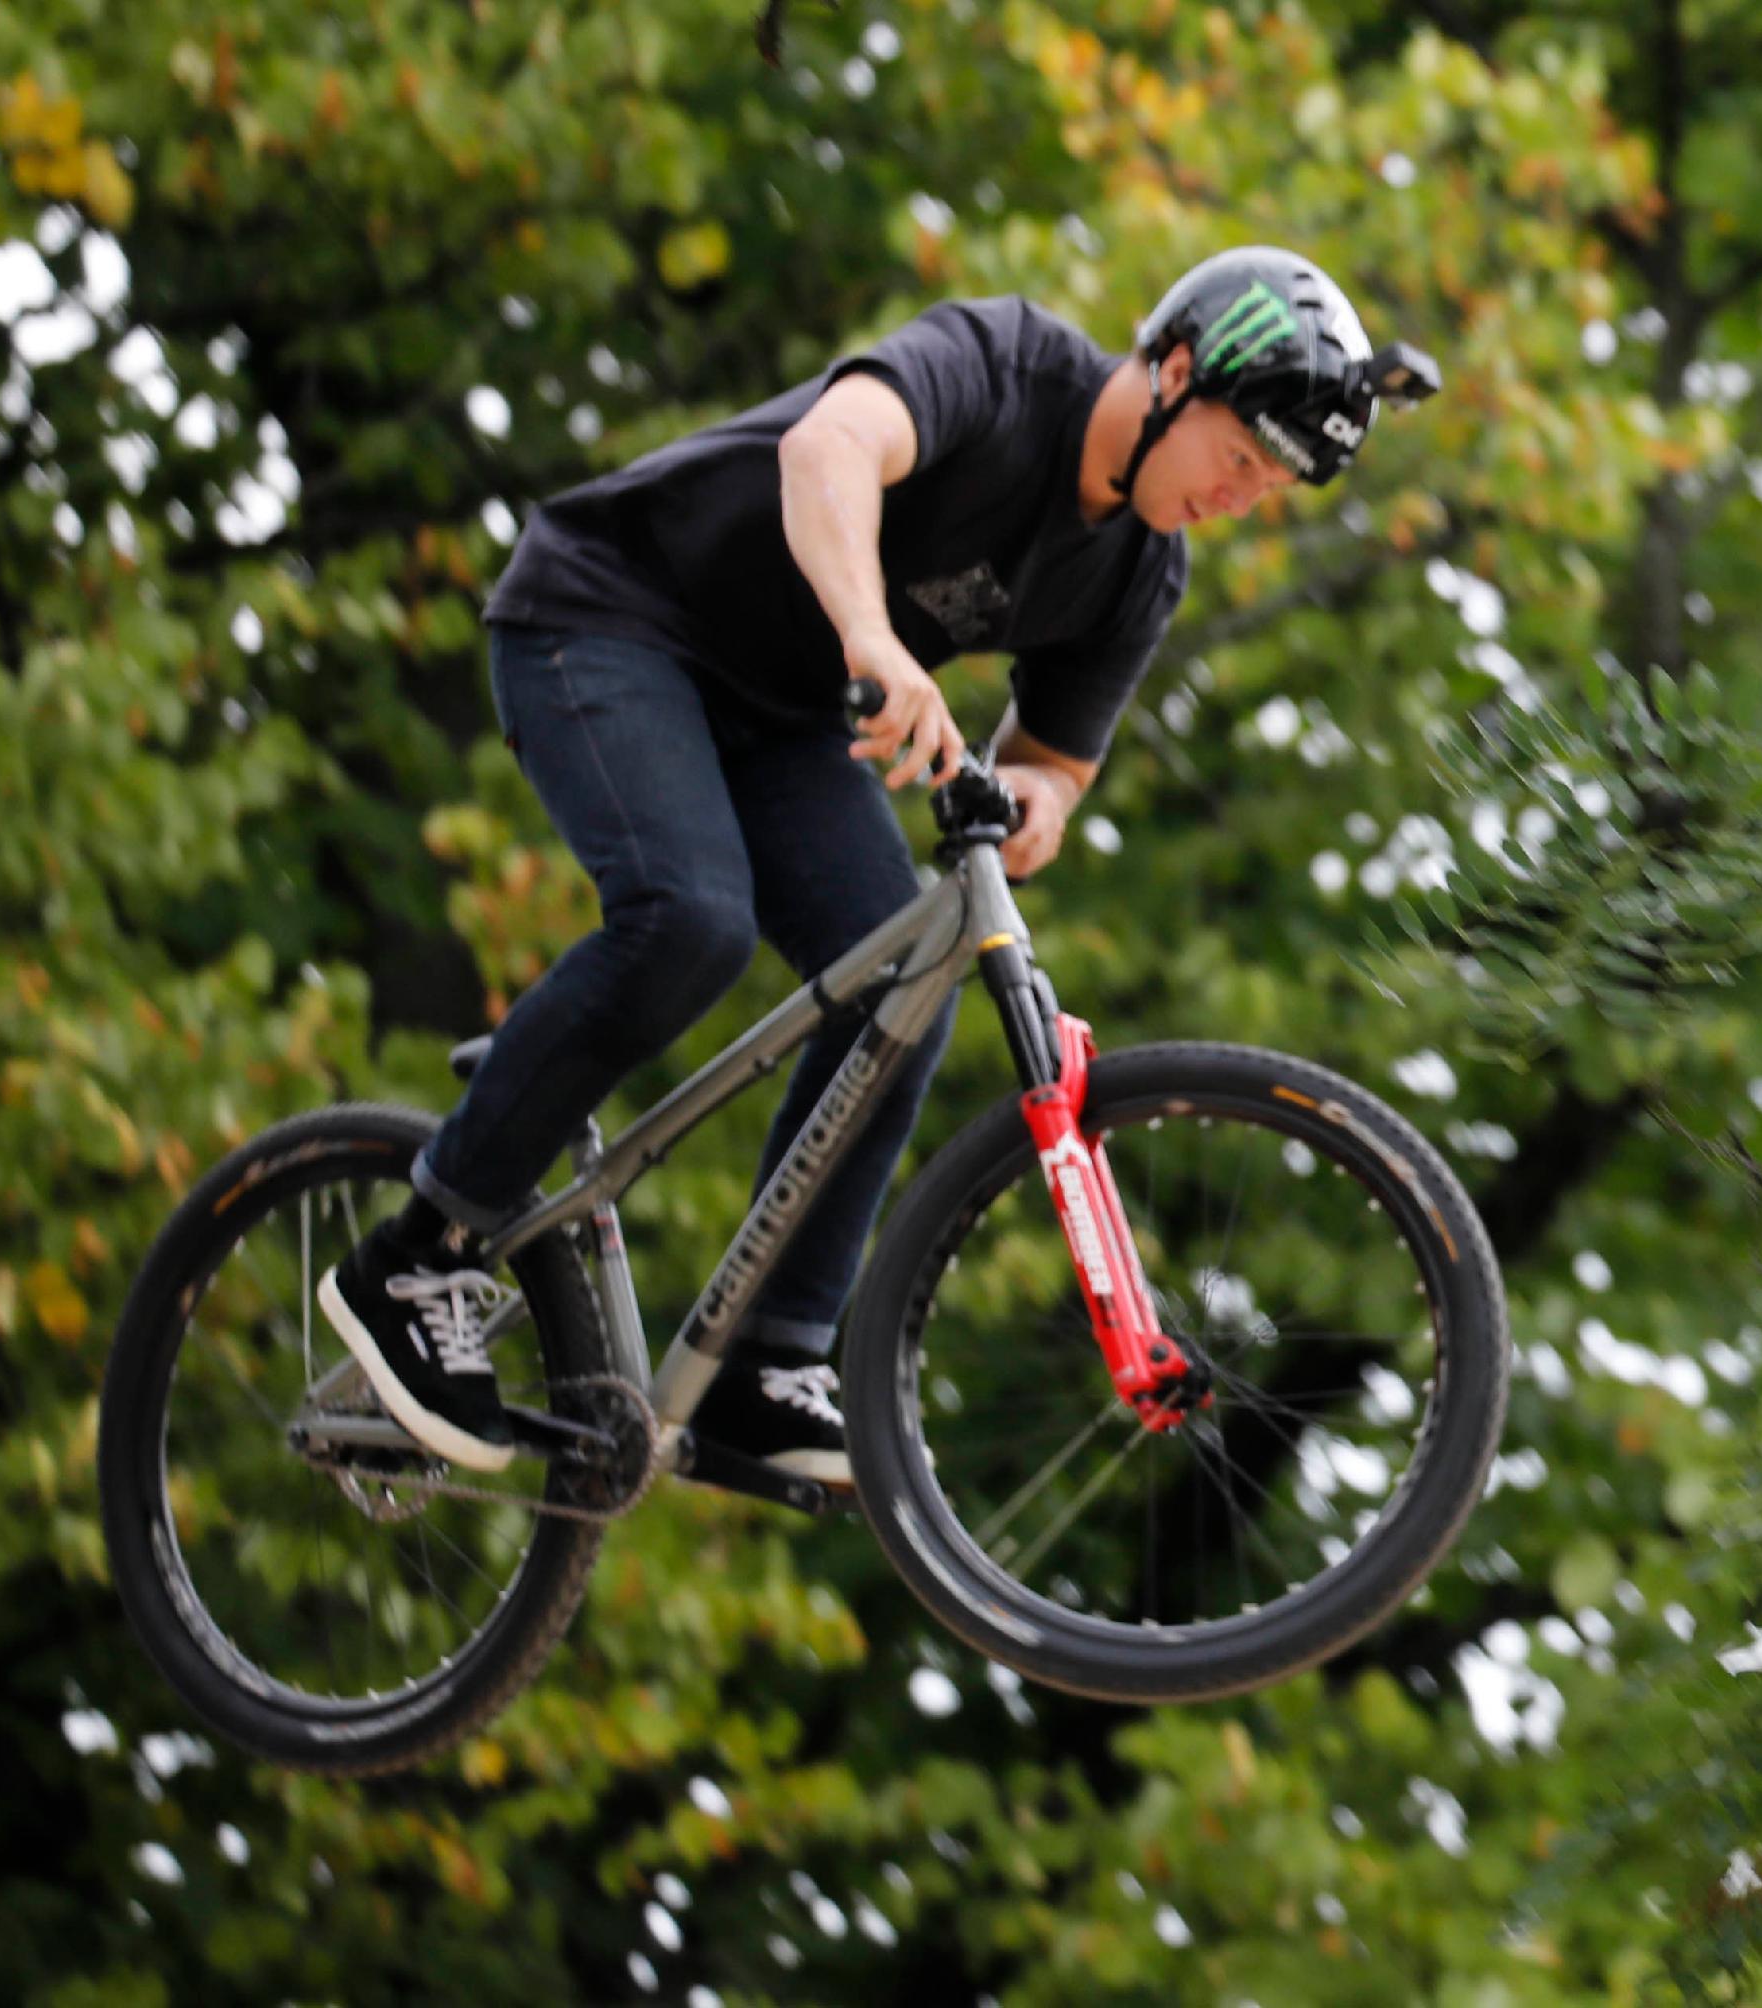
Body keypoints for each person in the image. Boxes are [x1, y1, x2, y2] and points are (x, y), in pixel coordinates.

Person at [313, 247, 1440, 1485]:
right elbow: (827, 449)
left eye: (1274, 484)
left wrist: (1038, 800)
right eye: (1241, 459)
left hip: (781, 720)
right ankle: (417, 1252)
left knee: (905, 976)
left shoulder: (1139, 570)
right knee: (693, 920)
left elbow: (1055, 756)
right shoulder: (1006, 365)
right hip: (611, 618)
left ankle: (763, 1359)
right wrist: (868, 634)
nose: (1246, 496)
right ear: (1172, 374)